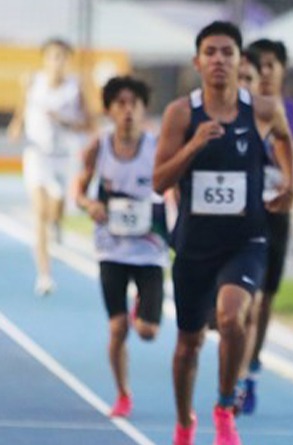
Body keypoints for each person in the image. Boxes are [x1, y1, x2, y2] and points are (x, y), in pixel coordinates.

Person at [153, 21, 293, 445]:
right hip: (195, 245)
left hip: (246, 239)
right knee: (188, 345)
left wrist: (288, 183)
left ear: (240, 61)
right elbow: (159, 182)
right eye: (210, 52)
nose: (219, 59)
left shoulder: (262, 109)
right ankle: (184, 422)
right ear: (198, 62)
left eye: (227, 52)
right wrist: (194, 144)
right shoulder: (182, 113)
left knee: (234, 317)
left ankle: (222, 405)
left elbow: (285, 138)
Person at [73, 76, 167, 419]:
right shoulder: (98, 148)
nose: (127, 111)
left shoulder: (156, 147)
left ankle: (140, 310)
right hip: (111, 249)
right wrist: (88, 204)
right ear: (110, 110)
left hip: (150, 250)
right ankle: (123, 393)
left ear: (144, 109)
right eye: (120, 104)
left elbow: (173, 186)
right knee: (117, 329)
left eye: (134, 104)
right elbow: (79, 190)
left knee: (147, 332)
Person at [237, 38, 293, 415]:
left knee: (264, 300)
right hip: (242, 211)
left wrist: (285, 142)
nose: (265, 72)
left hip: (277, 213)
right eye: (259, 65)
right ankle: (237, 375)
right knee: (245, 302)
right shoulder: (240, 108)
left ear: (282, 69)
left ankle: (250, 369)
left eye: (272, 65)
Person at [7, 37, 94, 295]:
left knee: (55, 211)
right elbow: (22, 111)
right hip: (37, 155)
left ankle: (58, 221)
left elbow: (90, 124)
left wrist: (64, 121)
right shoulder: (33, 82)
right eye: (53, 56)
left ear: (67, 60)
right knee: (39, 214)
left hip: (64, 158)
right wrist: (16, 125)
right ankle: (44, 276)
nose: (57, 62)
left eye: (62, 57)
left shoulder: (75, 88)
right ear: (45, 59)